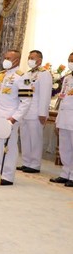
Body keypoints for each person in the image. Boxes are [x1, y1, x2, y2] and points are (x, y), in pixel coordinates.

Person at [0, 50, 32, 186]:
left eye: (9, 58)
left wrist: (14, 118)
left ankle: (8, 176)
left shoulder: (22, 77)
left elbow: (26, 101)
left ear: (17, 60)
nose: (6, 60)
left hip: (10, 118)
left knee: (9, 147)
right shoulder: (2, 75)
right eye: (5, 57)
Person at [18, 50, 52, 173]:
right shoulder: (27, 73)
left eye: (32, 57)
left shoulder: (44, 74)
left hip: (36, 112)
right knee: (25, 137)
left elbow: (45, 95)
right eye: (29, 57)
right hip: (25, 111)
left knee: (35, 138)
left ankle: (35, 164)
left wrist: (43, 113)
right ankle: (26, 162)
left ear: (39, 60)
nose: (29, 59)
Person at [50, 52, 73, 187]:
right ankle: (65, 173)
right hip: (64, 116)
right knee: (64, 147)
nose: (71, 63)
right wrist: (58, 119)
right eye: (69, 60)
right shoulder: (67, 78)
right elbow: (62, 98)